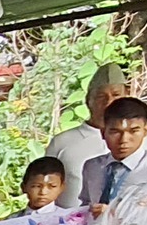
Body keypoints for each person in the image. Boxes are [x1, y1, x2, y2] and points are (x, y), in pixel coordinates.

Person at [48, 64, 131, 208]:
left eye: (116, 95)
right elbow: (44, 190)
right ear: (88, 101)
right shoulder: (62, 143)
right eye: (101, 97)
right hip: (69, 220)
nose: (109, 102)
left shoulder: (144, 140)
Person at [79, 97, 147, 218]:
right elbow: (85, 205)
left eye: (133, 131)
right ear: (103, 133)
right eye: (115, 132)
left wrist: (115, 213)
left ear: (145, 131)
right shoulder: (92, 166)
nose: (123, 140)